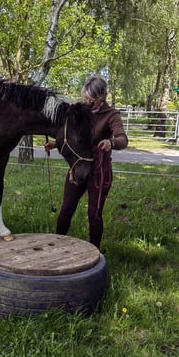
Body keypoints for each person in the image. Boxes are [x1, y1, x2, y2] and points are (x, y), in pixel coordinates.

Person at [44, 77, 128, 249]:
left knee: (94, 214)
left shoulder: (111, 115)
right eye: (85, 97)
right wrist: (55, 144)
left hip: (99, 171)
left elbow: (123, 139)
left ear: (102, 97)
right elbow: (73, 137)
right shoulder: (79, 111)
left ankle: (95, 252)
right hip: (79, 169)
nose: (86, 102)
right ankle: (56, 246)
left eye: (91, 99)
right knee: (66, 208)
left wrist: (111, 143)